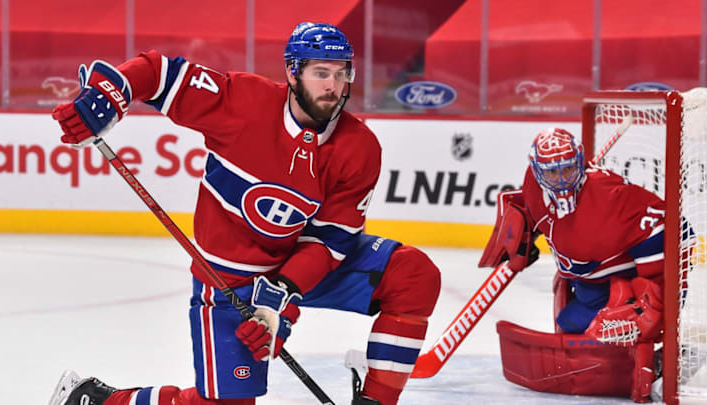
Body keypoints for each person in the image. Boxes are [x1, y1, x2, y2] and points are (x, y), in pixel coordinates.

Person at [48, 22, 440, 405]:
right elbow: (157, 73)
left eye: (341, 74)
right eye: (321, 73)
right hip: (229, 280)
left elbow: (332, 239)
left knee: (413, 275)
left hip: (301, 268)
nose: (333, 87)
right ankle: (101, 400)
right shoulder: (241, 101)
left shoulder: (360, 147)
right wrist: (111, 93)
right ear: (292, 71)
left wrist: (280, 297)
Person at [479, 127, 668, 402]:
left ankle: (664, 352)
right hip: (588, 277)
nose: (562, 180)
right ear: (536, 170)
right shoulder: (532, 181)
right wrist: (523, 230)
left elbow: (664, 223)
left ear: (579, 162)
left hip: (618, 274)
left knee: (617, 331)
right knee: (570, 324)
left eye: (568, 169)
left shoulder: (610, 197)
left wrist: (653, 294)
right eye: (552, 173)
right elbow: (530, 203)